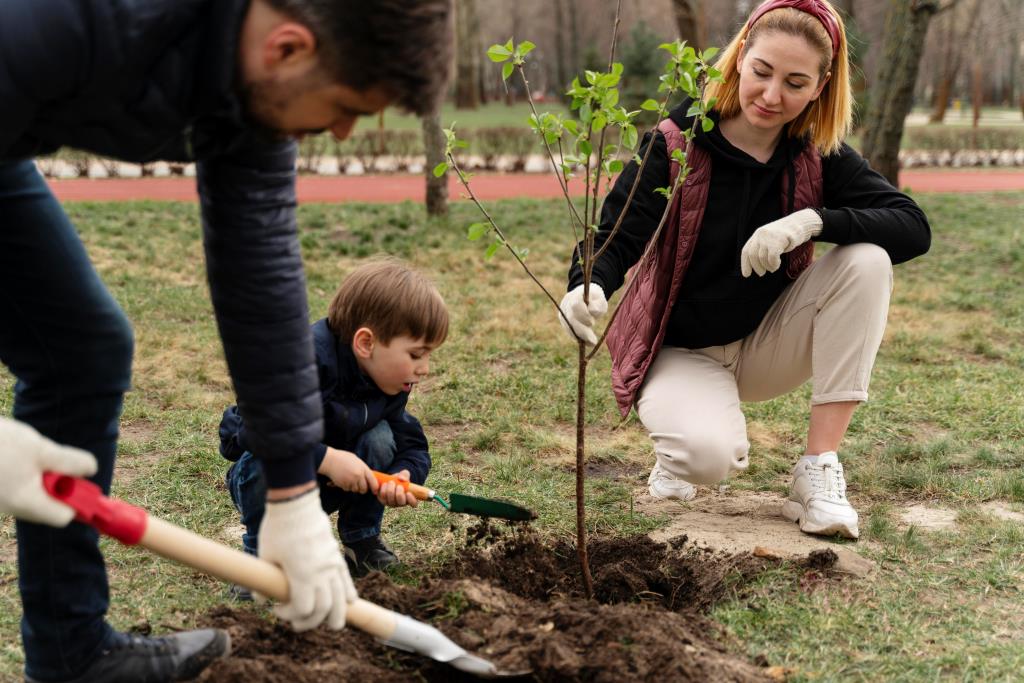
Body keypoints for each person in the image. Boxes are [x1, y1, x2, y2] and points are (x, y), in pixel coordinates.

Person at [0, 0, 452, 681]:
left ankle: (72, 655)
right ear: (288, 48)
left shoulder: (257, 97)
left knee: (84, 351)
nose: (342, 130)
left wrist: (294, 490)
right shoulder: (66, 23)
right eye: (345, 106)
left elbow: (261, 281)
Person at [558, 0, 929, 541]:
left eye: (795, 83)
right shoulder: (676, 142)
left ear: (820, 87)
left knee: (867, 259)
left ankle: (818, 467)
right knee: (706, 459)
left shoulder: (815, 154)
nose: (772, 95)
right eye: (762, 71)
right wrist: (586, 284)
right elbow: (617, 236)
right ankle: (681, 449)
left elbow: (913, 227)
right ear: (739, 59)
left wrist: (812, 221)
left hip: (767, 346)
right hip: (682, 351)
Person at [219, 258, 448, 585]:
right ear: (366, 343)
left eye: (429, 355)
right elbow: (260, 430)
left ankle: (361, 540)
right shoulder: (301, 361)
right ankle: (259, 557)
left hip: (331, 486)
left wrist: (403, 474)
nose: (424, 368)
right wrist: (327, 459)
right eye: (415, 354)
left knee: (381, 438)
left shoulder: (388, 382)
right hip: (268, 480)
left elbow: (411, 443)